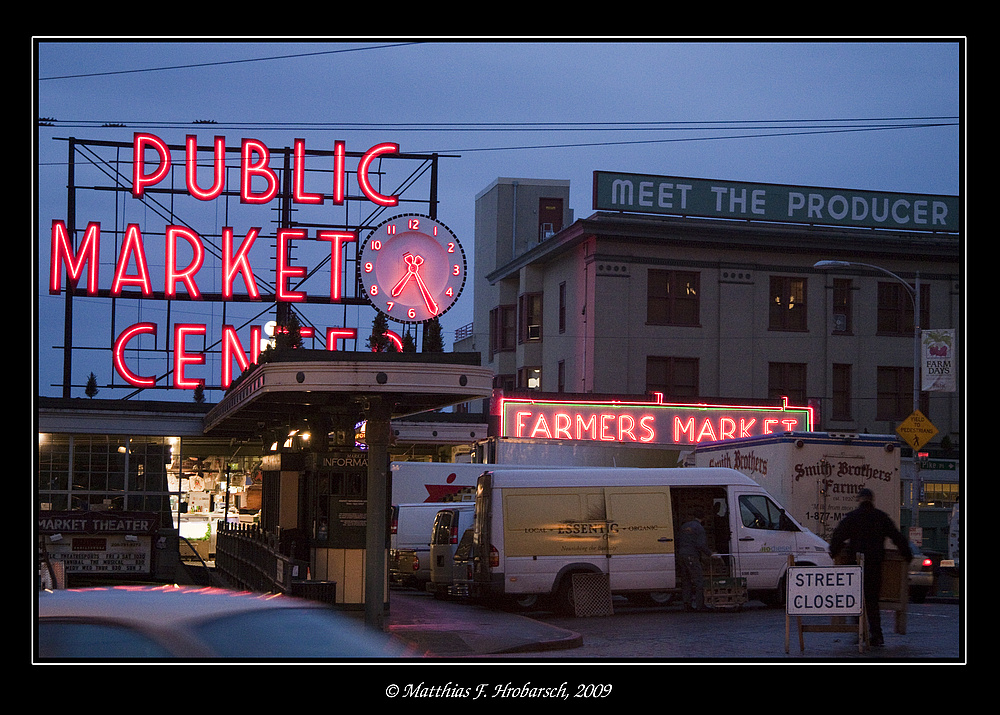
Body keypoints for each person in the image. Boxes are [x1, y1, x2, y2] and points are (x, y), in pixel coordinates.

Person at [828, 488, 913, 647]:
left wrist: (833, 551)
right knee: (872, 601)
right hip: (875, 564)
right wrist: (907, 555)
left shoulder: (852, 517)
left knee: (856, 600)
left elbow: (838, 536)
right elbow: (897, 537)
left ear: (859, 500)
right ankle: (876, 634)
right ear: (871, 500)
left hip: (857, 565)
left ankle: (859, 631)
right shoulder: (881, 517)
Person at [676, 509, 714, 611]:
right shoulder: (699, 528)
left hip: (681, 555)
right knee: (698, 581)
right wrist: (710, 554)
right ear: (704, 517)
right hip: (691, 555)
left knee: (686, 580)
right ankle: (700, 605)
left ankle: (687, 604)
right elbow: (700, 544)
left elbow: (678, 540)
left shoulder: (684, 526)